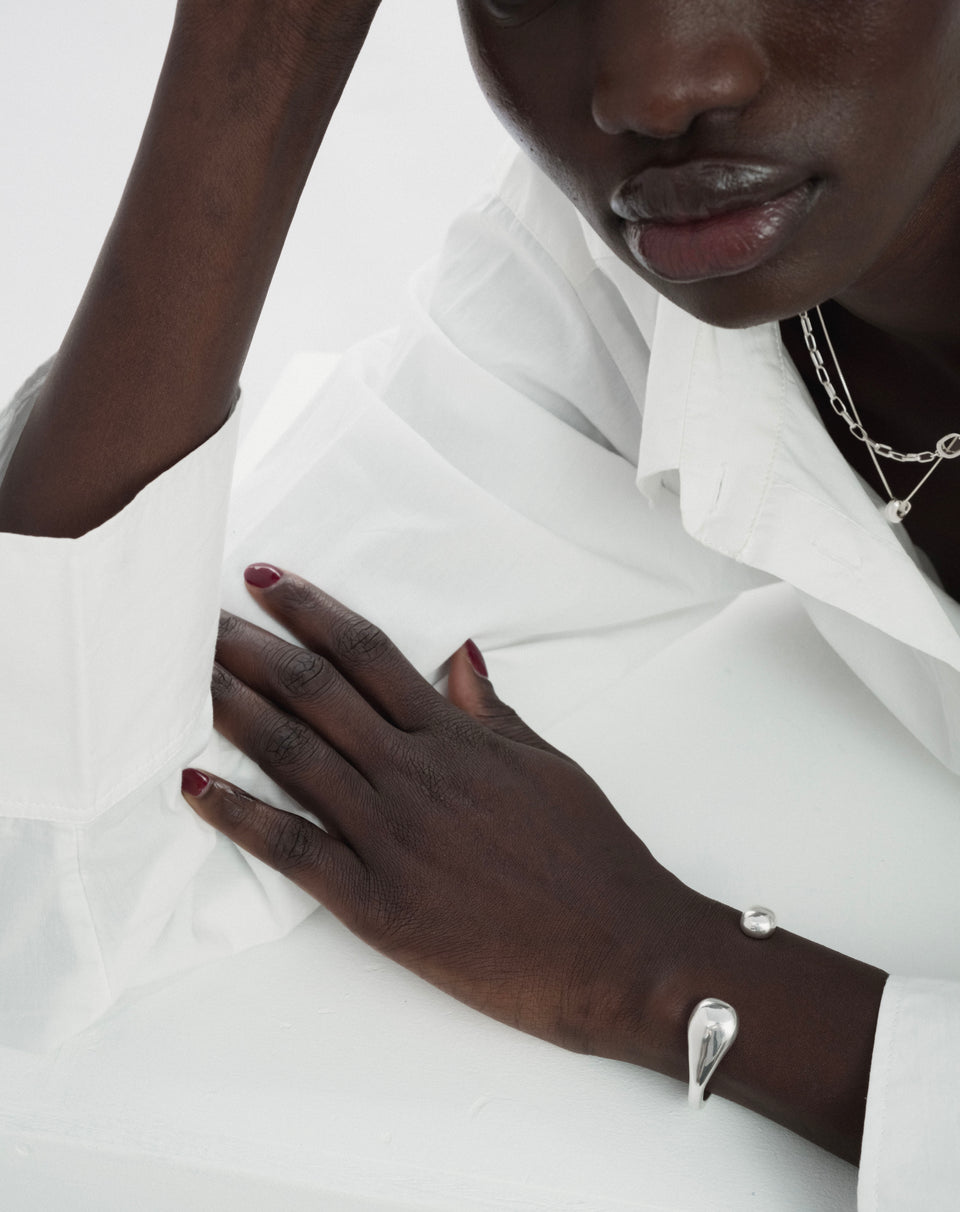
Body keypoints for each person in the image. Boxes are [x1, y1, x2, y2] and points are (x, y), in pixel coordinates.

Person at [0, 1, 958, 1206]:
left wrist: (671, 972)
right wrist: (249, 67)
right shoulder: (625, 285)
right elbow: (49, 877)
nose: (651, 88)